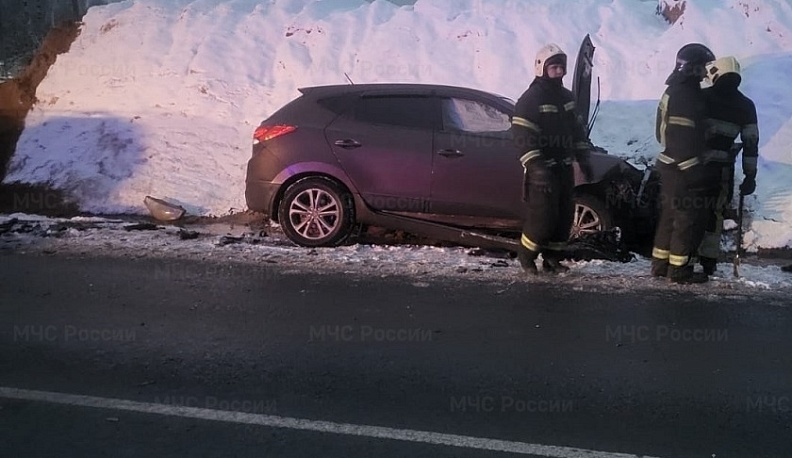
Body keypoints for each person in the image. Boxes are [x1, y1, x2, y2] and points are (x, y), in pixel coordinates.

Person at [512, 43, 592, 275]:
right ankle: (526, 257)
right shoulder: (530, 99)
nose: (559, 72)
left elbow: (577, 131)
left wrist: (583, 157)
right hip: (542, 171)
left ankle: (552, 259)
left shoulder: (567, 97)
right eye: (554, 67)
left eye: (561, 68)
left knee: (563, 217)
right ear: (541, 68)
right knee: (542, 219)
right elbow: (522, 136)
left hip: (564, 169)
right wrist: (535, 166)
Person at [650, 43, 716, 284]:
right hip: (681, 169)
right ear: (691, 68)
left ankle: (660, 265)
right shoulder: (686, 95)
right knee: (685, 220)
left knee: (669, 217)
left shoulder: (675, 90)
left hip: (669, 166)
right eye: (702, 67)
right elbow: (680, 138)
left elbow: (663, 134)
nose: (705, 72)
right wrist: (693, 170)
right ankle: (678, 270)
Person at [697, 56, 759, 275]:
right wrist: (750, 176)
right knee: (715, 214)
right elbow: (751, 143)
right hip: (723, 171)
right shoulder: (746, 106)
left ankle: (682, 257)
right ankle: (709, 261)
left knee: (689, 210)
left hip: (694, 167)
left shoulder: (701, 97)